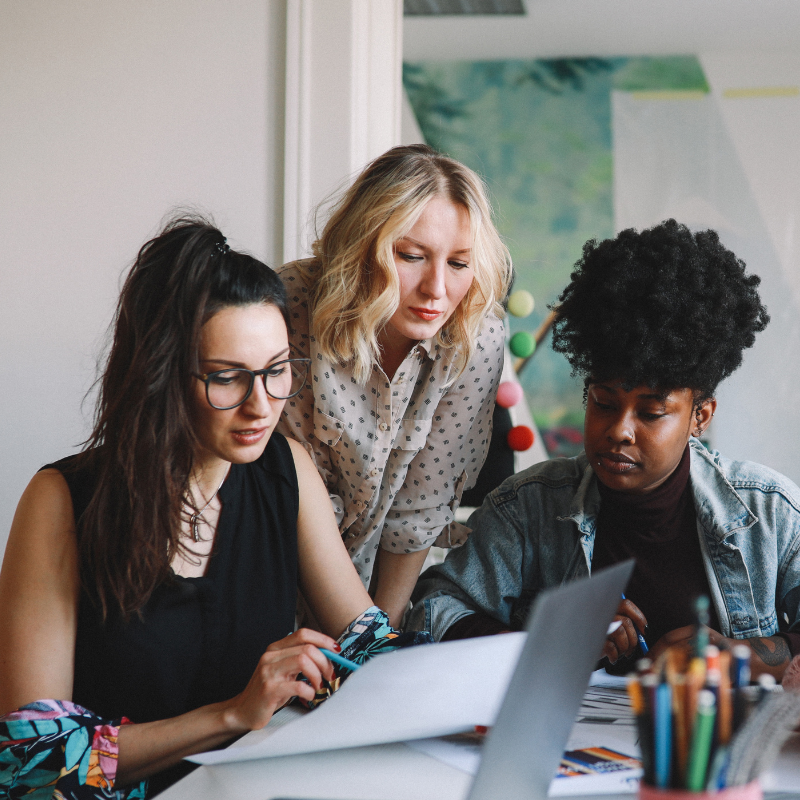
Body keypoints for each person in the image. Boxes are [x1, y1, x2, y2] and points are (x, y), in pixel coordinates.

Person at [0, 217, 428, 799]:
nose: (261, 406)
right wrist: (230, 715)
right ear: (161, 376)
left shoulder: (286, 469)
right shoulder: (63, 502)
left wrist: (476, 667)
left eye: (277, 372)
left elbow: (368, 643)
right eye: (227, 379)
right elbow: (34, 763)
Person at [409, 219, 800, 681]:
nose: (619, 430)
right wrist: (552, 637)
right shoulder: (528, 507)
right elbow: (433, 613)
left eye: (652, 413)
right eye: (603, 403)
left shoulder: (767, 511)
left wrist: (739, 657)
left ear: (701, 415)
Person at [277, 144, 513, 628]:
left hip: (369, 597)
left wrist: (380, 639)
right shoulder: (287, 307)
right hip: (266, 578)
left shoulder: (475, 332)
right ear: (362, 246)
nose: (437, 289)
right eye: (411, 255)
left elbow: (419, 509)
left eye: (459, 263)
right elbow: (282, 493)